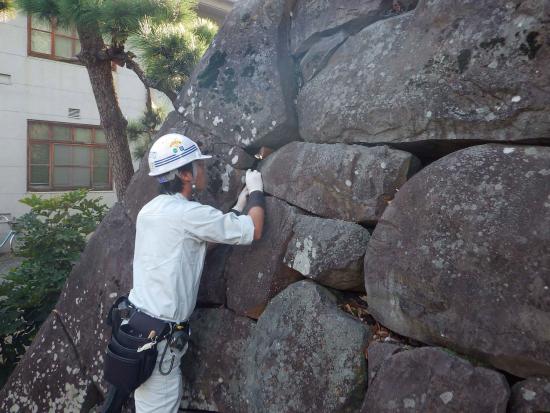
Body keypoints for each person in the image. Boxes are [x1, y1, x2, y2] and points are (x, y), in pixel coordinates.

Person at [102, 133, 265, 412]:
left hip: (135, 328)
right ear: (185, 174)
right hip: (159, 341)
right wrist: (256, 190)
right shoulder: (190, 214)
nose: (203, 170)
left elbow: (193, 246)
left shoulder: (150, 211)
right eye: (198, 166)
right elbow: (255, 230)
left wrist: (237, 208)